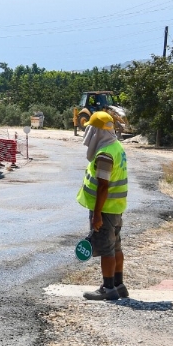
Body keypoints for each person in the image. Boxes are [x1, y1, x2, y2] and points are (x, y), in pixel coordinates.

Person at [77, 111, 129, 300]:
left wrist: (97, 214)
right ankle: (119, 285)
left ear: (96, 131)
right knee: (115, 247)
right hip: (116, 207)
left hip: (105, 209)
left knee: (107, 250)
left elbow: (103, 186)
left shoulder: (105, 154)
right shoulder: (116, 146)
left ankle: (108, 289)